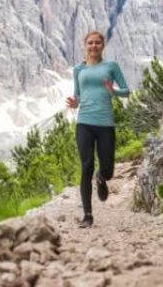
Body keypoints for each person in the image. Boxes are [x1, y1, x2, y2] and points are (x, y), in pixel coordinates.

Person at [65, 30, 130, 228]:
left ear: (103, 45)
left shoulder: (111, 66)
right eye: (90, 43)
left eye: (97, 43)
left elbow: (126, 91)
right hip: (84, 122)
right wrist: (75, 104)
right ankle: (87, 215)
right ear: (85, 45)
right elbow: (78, 94)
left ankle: (101, 178)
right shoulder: (78, 69)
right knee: (86, 166)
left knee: (108, 170)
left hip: (105, 124)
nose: (94, 46)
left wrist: (114, 91)